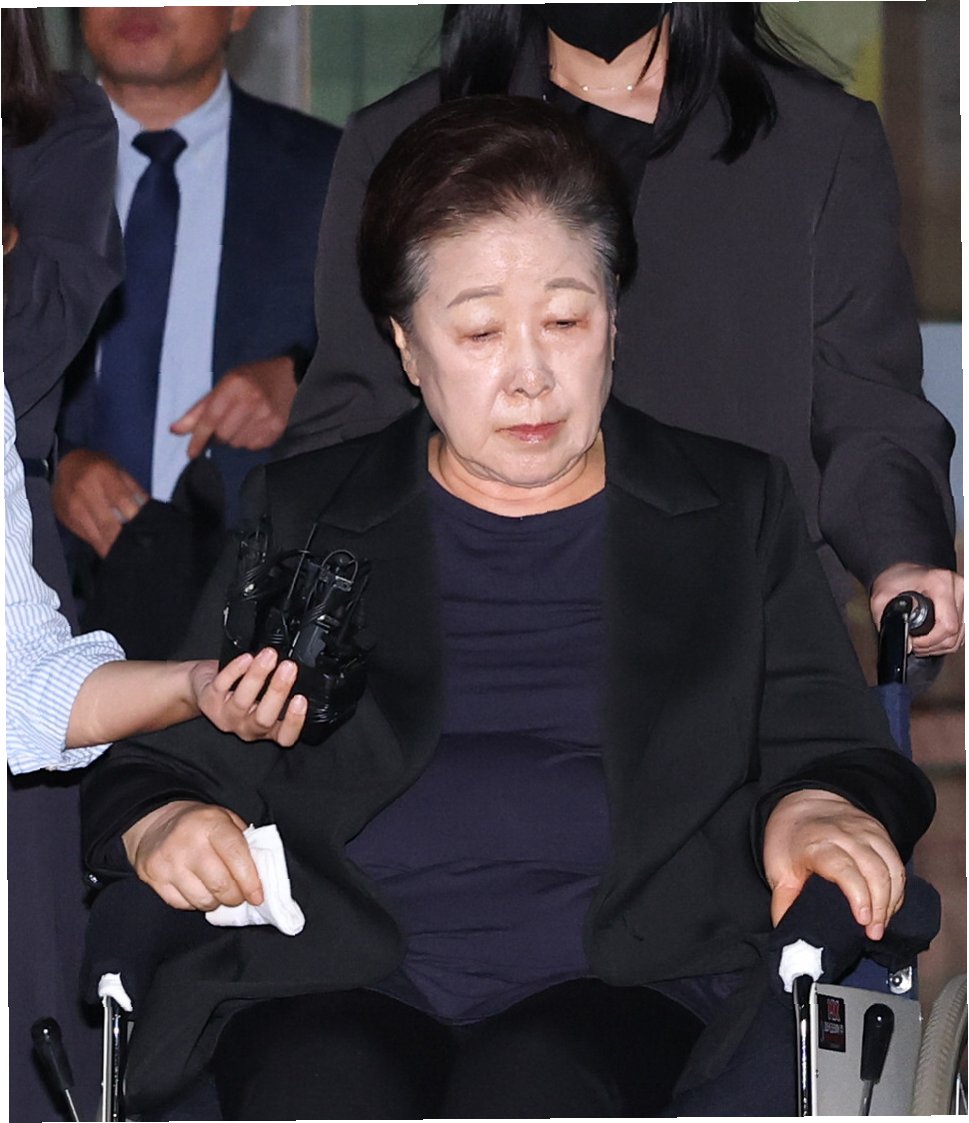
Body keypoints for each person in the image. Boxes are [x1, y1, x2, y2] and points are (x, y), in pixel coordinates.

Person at [81, 97, 936, 1120]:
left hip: (632, 977)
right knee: (325, 1087)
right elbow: (163, 757)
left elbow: (829, 740)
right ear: (406, 346)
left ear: (613, 318)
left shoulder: (729, 507)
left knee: (534, 1084)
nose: (531, 377)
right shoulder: (309, 511)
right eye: (480, 331)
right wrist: (166, 821)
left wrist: (816, 806)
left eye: (566, 321)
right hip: (333, 969)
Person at [282, 3, 963, 660]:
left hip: (737, 633)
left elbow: (867, 405)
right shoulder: (401, 139)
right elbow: (351, 422)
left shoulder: (815, 142)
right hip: (473, 627)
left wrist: (900, 557)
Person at [53, 5, 341, 656]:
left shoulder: (333, 171)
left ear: (241, 9)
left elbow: (401, 365)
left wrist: (304, 380)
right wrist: (47, 467)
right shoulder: (18, 165)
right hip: (38, 600)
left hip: (261, 614)